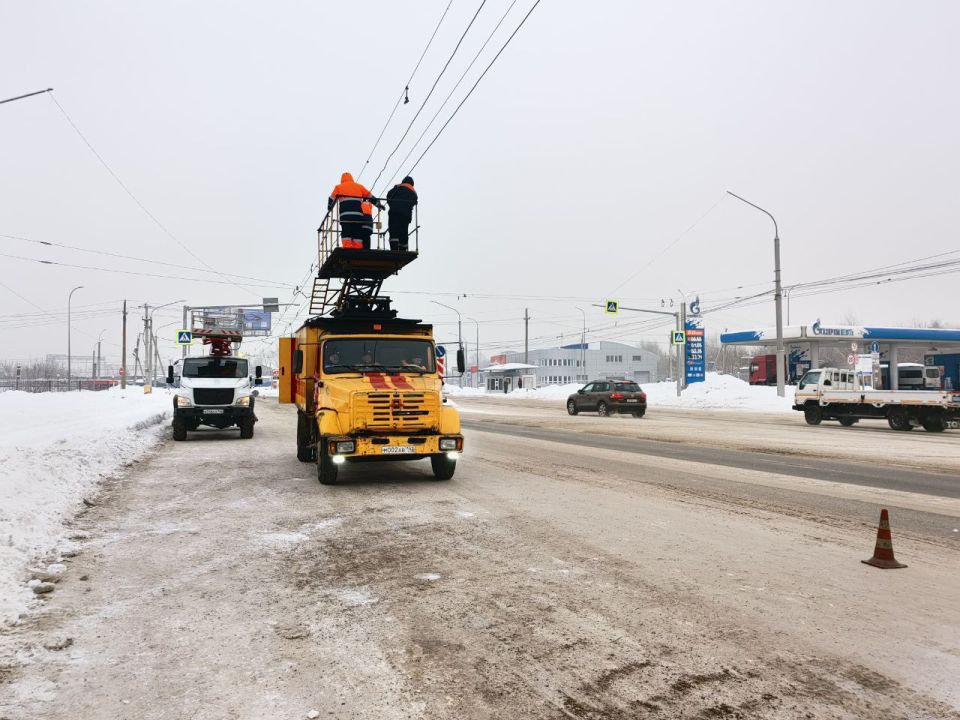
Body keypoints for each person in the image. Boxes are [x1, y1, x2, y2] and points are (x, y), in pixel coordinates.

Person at [328, 172, 378, 249]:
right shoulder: (359, 186)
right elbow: (369, 196)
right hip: (358, 215)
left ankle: (348, 248)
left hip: (345, 215)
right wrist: (378, 204)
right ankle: (357, 248)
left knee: (346, 231)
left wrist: (329, 207)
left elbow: (331, 198)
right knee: (357, 232)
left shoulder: (338, 187)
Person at [386, 176, 418, 251]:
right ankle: (403, 250)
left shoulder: (397, 188)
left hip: (394, 212)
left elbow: (389, 197)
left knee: (394, 231)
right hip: (405, 215)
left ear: (403, 181)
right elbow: (414, 202)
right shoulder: (413, 192)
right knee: (403, 232)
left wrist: (393, 205)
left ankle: (394, 250)